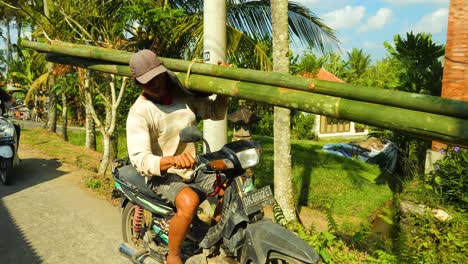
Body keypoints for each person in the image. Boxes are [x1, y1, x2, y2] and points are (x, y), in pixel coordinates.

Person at [126, 50, 229, 264]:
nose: (154, 84)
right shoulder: (140, 112)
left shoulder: (182, 96)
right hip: (162, 174)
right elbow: (140, 159)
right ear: (138, 83)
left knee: (229, 186)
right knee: (189, 201)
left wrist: (224, 88)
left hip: (192, 167)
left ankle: (215, 239)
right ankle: (173, 256)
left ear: (164, 72)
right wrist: (171, 161)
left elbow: (215, 112)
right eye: (146, 82)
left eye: (156, 77)